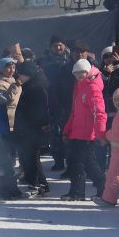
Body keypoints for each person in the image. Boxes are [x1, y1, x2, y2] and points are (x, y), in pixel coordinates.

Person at [61, 59, 106, 201]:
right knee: (76, 163)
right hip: (77, 132)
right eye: (76, 74)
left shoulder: (92, 88)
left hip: (87, 135)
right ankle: (77, 192)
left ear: (88, 72)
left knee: (88, 165)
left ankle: (103, 189)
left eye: (82, 73)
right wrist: (68, 129)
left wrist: (100, 133)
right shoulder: (80, 86)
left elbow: (99, 112)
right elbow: (74, 112)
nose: (79, 76)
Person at [12, 60, 50, 195]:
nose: (18, 76)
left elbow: (41, 111)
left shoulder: (37, 88)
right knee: (30, 158)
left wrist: (36, 125)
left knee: (32, 159)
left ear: (28, 74)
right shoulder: (28, 86)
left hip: (33, 130)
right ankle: (41, 184)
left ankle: (35, 185)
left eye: (21, 74)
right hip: (26, 129)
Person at [43, 36, 74, 170]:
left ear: (65, 46)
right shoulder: (45, 63)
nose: (58, 48)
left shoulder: (71, 61)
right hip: (52, 103)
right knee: (54, 136)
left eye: (60, 45)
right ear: (51, 47)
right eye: (55, 45)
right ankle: (58, 161)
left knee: (69, 135)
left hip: (69, 103)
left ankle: (71, 165)